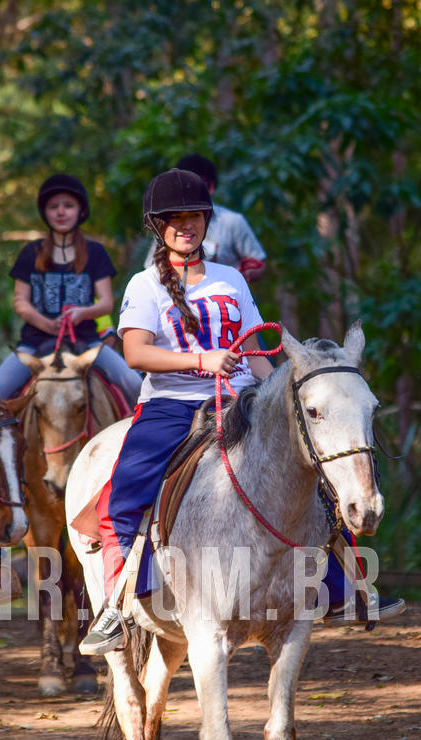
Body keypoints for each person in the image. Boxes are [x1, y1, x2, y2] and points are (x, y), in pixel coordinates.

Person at [81, 168, 404, 655]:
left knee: (316, 475)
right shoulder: (143, 285)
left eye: (194, 216)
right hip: (172, 404)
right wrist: (201, 360)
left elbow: (255, 354)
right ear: (158, 226)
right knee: (125, 494)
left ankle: (347, 590)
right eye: (176, 219)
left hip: (238, 399)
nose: (186, 225)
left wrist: (285, 386)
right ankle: (117, 605)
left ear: (206, 220)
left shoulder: (230, 278)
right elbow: (136, 354)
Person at [0, 174, 142, 405]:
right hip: (34, 343)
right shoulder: (30, 252)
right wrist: (44, 323)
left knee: (135, 385)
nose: (60, 212)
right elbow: (20, 302)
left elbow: (106, 302)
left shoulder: (95, 252)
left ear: (80, 211)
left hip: (87, 343)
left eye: (68, 206)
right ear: (45, 212)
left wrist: (81, 313)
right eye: (53, 206)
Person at [144, 153, 267, 283]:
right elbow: (151, 268)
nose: (187, 225)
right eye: (185, 187)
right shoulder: (168, 223)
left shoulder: (232, 222)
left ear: (211, 187)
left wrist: (239, 276)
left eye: (197, 187)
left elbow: (258, 260)